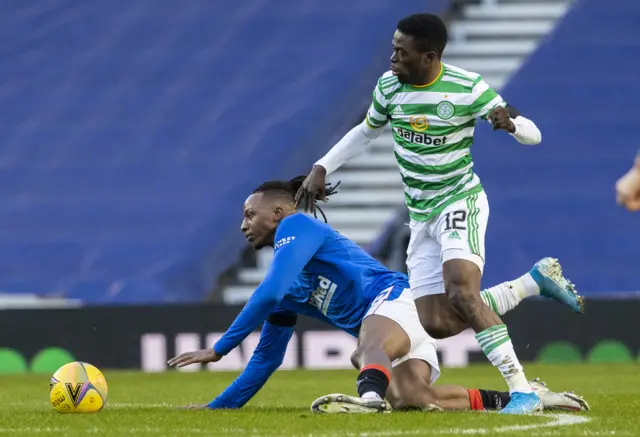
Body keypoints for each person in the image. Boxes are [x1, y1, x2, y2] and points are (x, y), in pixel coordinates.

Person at [295, 13, 584, 414]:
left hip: (458, 201)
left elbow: (534, 134)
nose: (392, 58)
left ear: (429, 56)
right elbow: (366, 130)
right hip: (421, 215)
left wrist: (512, 124)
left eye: (401, 51)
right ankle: (530, 284)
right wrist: (323, 165)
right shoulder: (389, 86)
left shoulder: (467, 87)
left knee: (463, 292)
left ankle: (523, 392)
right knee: (437, 324)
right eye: (393, 48)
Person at [167, 177, 588, 414]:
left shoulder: (299, 227)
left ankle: (368, 401)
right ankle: (525, 396)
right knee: (414, 399)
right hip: (395, 332)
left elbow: (269, 290)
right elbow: (266, 358)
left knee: (366, 349)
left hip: (392, 302)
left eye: (249, 214)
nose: (243, 225)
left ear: (278, 214)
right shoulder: (285, 289)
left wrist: (220, 349)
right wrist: (218, 408)